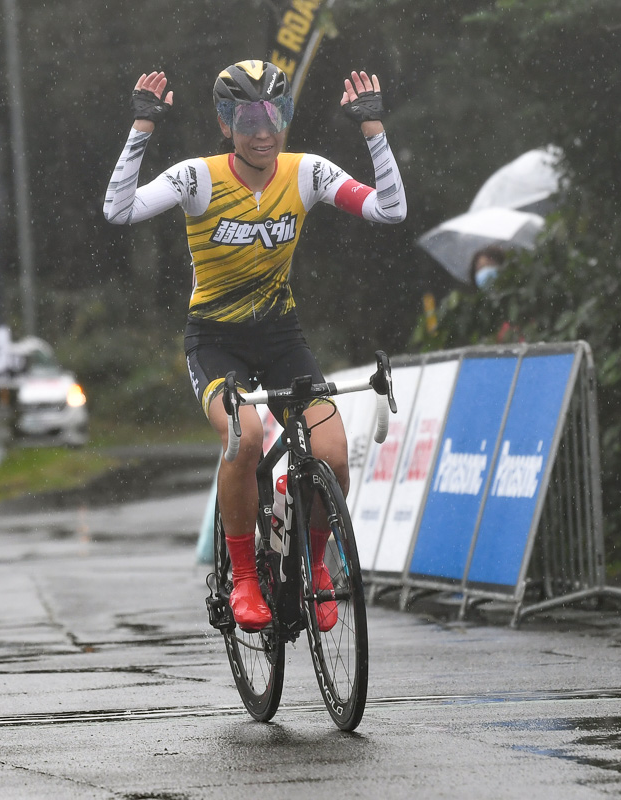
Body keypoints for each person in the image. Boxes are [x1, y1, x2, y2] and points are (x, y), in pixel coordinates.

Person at [103, 61, 407, 631]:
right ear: (226, 125)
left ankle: (314, 563)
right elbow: (117, 210)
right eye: (247, 118)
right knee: (243, 441)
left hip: (280, 337)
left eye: (274, 114)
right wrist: (141, 129)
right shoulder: (197, 178)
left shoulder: (307, 172)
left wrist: (373, 130)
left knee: (335, 456)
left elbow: (390, 210)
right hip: (215, 340)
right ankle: (244, 576)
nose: (263, 130)